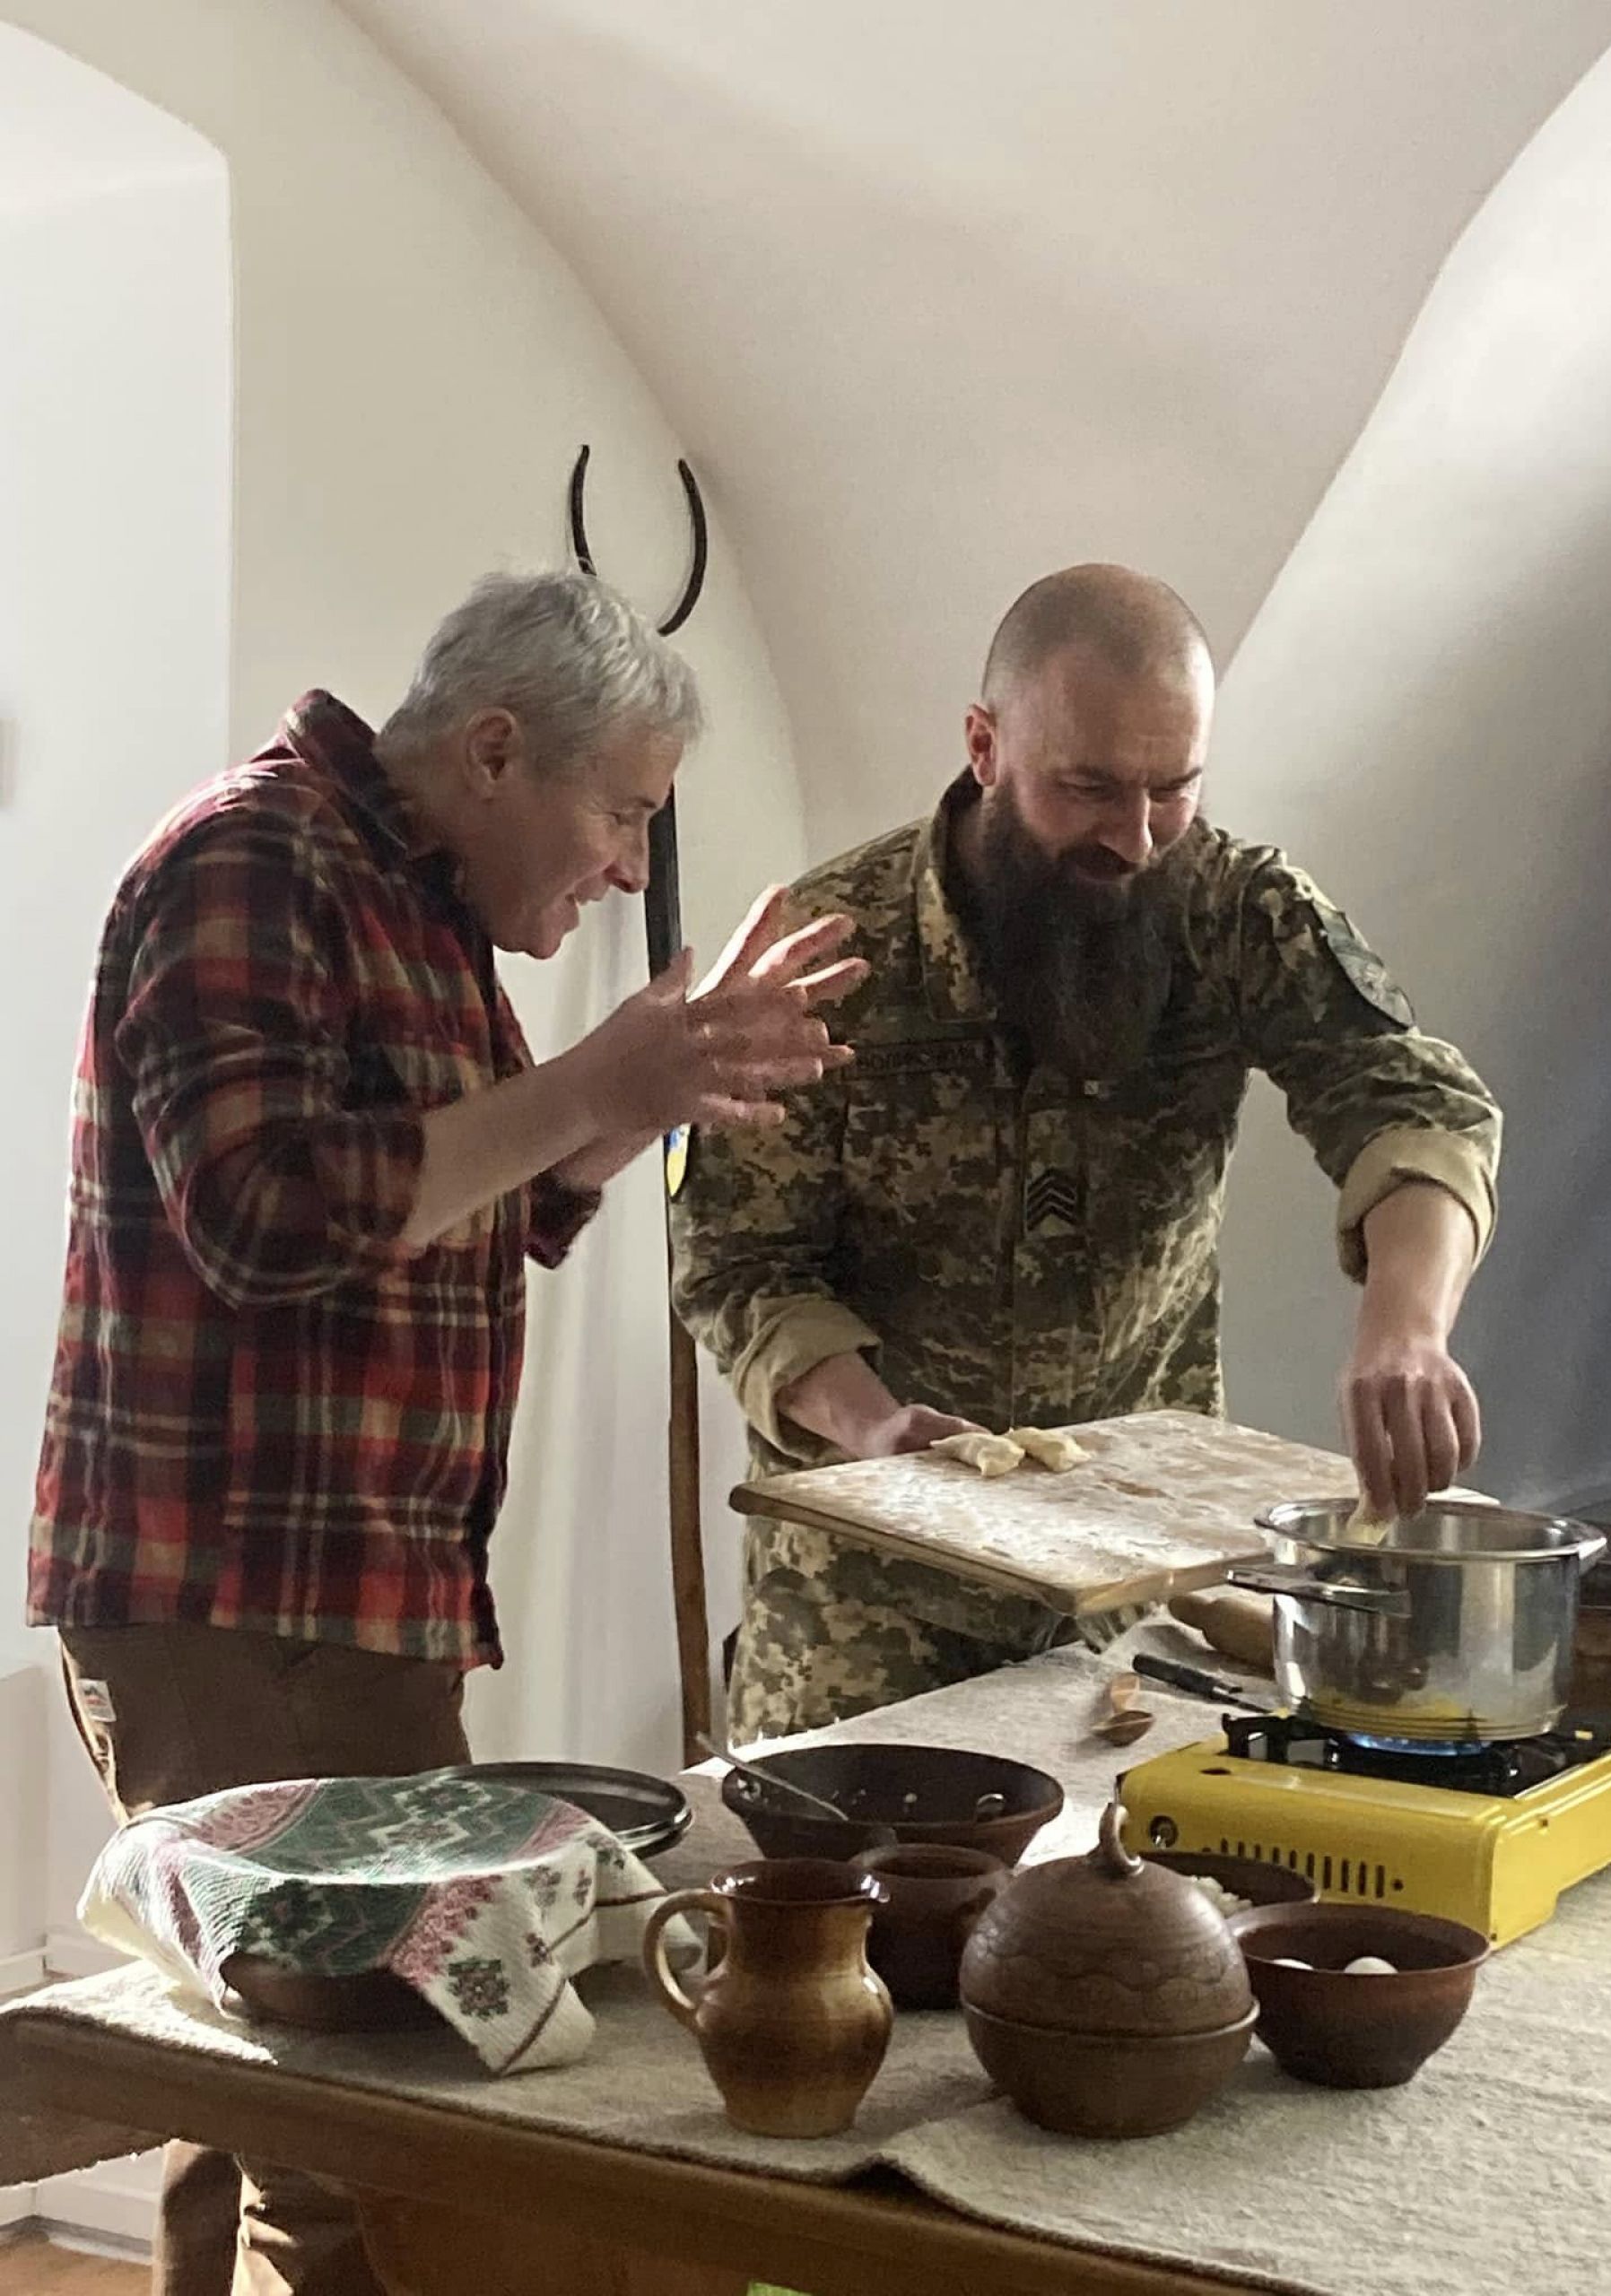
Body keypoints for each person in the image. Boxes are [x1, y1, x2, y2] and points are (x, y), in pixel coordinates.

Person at [25, 567, 863, 2296]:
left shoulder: (410, 901)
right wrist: (600, 1082)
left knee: (257, 2080)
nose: (626, 864)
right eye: (619, 813)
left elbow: (495, 1201)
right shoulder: (250, 862)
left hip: (356, 1603)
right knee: (350, 2130)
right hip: (230, 1597)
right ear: (493, 752)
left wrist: (650, 1096)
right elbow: (266, 1213)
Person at [672, 564, 1501, 1744]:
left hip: (1145, 1578)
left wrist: (1406, 1330)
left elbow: (1407, 1100)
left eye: (1174, 789)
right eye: (1091, 789)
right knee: (857, 1859)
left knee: (1150, 1861)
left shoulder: (1232, 910)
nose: (1137, 836)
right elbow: (740, 1265)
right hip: (871, 1596)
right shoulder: (830, 954)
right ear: (984, 746)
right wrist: (878, 1430)